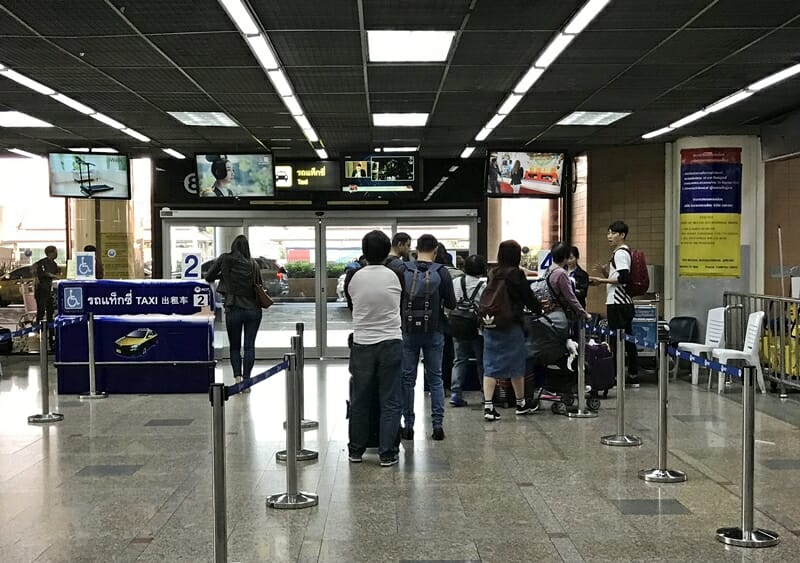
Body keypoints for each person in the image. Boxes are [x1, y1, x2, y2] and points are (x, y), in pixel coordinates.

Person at [344, 230, 404, 466]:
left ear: (364, 251)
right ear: (387, 249)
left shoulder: (353, 276)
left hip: (362, 342)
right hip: (391, 340)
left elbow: (351, 304)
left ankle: (356, 451)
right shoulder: (396, 275)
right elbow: (400, 303)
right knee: (390, 399)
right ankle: (387, 452)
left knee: (360, 398)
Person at [400, 234, 456, 441]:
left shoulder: (404, 270)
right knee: (435, 379)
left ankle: (408, 426)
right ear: (435, 250)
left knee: (407, 379)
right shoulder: (441, 272)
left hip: (408, 332)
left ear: (416, 248)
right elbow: (451, 303)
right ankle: (437, 426)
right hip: (434, 331)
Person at [482, 240, 541, 421]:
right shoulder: (515, 274)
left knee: (490, 365)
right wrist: (539, 309)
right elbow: (527, 296)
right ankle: (521, 403)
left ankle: (489, 406)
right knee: (516, 365)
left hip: (490, 323)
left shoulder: (493, 273)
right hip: (511, 324)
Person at [204, 235, 262, 388]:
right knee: (249, 346)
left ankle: (238, 378)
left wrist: (223, 275)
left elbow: (208, 276)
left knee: (235, 347)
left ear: (233, 246)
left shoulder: (225, 259)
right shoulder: (253, 264)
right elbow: (259, 286)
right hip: (253, 310)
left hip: (234, 308)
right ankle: (247, 381)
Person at [589, 220, 639, 387]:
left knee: (618, 340)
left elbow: (623, 278)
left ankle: (618, 376)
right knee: (628, 339)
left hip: (618, 303)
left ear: (622, 235)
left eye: (613, 233)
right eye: (608, 233)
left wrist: (600, 280)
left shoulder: (621, 253)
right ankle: (632, 375)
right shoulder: (620, 253)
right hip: (623, 303)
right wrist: (605, 273)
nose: (609, 236)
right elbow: (618, 275)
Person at [450, 254, 487, 407]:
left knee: (459, 360)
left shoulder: (455, 282)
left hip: (458, 326)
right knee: (482, 362)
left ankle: (455, 394)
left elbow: (450, 303)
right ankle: (486, 394)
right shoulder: (483, 286)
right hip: (477, 329)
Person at [434, 243, 463, 395]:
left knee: (438, 355)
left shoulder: (433, 273)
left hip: (437, 320)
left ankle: (439, 387)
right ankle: (452, 386)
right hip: (457, 318)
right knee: (453, 355)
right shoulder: (458, 273)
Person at [34, 245, 59, 349]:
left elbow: (57, 273)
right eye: (55, 252)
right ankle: (37, 331)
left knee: (50, 312)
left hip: (49, 291)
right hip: (42, 291)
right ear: (50, 253)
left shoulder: (54, 264)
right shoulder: (41, 263)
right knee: (41, 311)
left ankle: (51, 334)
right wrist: (52, 275)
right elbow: (42, 273)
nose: (56, 253)